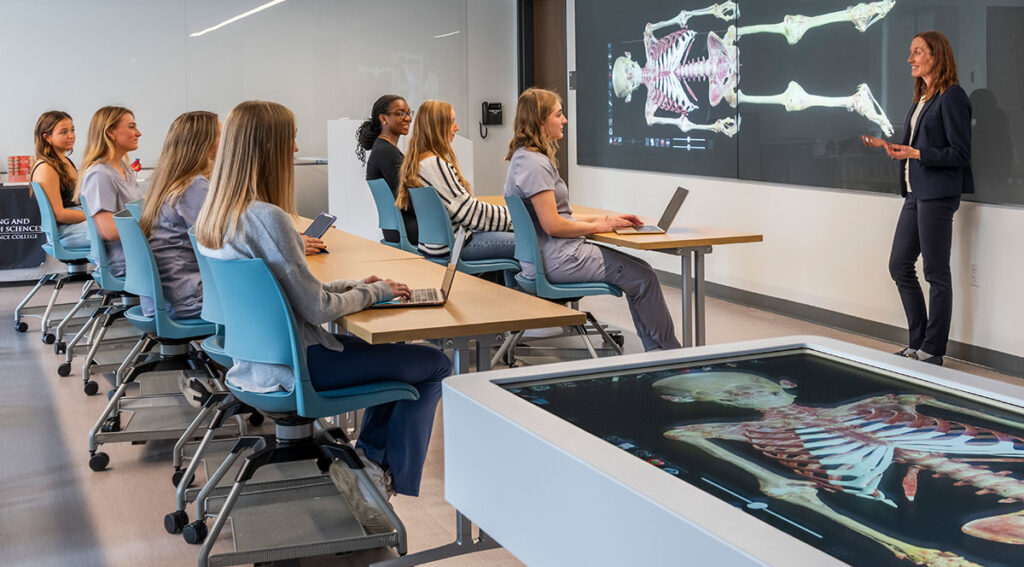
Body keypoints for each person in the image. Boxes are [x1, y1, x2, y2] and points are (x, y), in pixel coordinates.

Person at [195, 100, 450, 504]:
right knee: (435, 363)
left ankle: (367, 464)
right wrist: (377, 292)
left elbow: (295, 290)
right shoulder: (268, 219)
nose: (296, 150)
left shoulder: (218, 215)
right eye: (292, 140)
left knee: (391, 351)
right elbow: (316, 309)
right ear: (270, 147)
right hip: (298, 366)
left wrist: (358, 284)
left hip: (254, 363)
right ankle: (377, 478)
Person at [504, 88, 680, 352]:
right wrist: (602, 226)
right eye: (558, 114)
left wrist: (608, 218)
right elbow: (554, 224)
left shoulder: (525, 159)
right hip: (560, 260)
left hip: (546, 257)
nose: (564, 120)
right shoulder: (534, 164)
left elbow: (561, 215)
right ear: (541, 121)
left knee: (642, 272)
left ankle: (658, 352)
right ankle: (670, 354)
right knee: (645, 278)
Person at [861, 30, 972, 366]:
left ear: (935, 56)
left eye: (917, 52)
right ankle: (918, 342)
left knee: (936, 272)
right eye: (911, 52)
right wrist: (896, 149)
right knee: (899, 265)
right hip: (914, 192)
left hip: (938, 195)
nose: (910, 58)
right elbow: (919, 148)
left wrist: (918, 152)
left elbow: (960, 153)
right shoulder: (922, 97)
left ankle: (932, 350)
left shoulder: (952, 97)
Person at [397, 100, 515, 261]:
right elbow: (468, 213)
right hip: (457, 246)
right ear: (438, 126)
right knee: (528, 243)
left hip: (439, 246)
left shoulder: (419, 163)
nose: (456, 127)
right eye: (452, 121)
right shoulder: (435, 164)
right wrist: (515, 218)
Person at [137, 111, 220, 319]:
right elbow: (222, 246)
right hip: (190, 298)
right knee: (280, 299)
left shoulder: (167, 183)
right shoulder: (194, 187)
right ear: (206, 144)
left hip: (169, 295)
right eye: (222, 135)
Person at [78, 106, 144, 277]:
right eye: (131, 127)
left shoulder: (124, 167)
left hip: (136, 252)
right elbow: (108, 230)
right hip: (125, 260)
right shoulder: (100, 174)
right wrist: (154, 228)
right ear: (110, 132)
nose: (138, 133)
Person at [357, 94, 418, 245]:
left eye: (409, 113)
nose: (408, 118)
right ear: (383, 118)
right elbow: (406, 201)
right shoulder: (387, 152)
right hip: (411, 230)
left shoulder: (383, 148)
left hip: (401, 229)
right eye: (400, 113)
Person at [31, 110, 87, 249]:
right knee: (121, 231)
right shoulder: (46, 168)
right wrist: (94, 216)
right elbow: (59, 214)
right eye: (64, 132)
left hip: (76, 224)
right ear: (47, 137)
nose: (71, 136)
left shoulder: (66, 161)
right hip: (65, 231)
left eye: (72, 130)